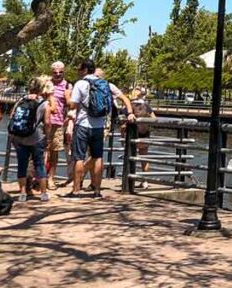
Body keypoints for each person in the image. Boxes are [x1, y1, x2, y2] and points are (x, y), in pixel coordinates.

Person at [67, 59, 135, 198]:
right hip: (99, 125)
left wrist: (68, 96)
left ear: (85, 70)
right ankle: (97, 190)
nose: (78, 72)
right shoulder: (106, 84)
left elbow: (73, 105)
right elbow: (123, 98)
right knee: (98, 157)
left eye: (79, 69)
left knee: (79, 157)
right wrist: (130, 112)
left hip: (83, 124)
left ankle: (75, 190)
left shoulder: (80, 84)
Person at [10, 76, 51, 203]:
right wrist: (48, 139)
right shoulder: (44, 103)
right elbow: (48, 122)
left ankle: (22, 193)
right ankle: (43, 193)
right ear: (41, 88)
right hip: (36, 137)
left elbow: (12, 115)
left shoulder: (21, 100)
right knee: (39, 164)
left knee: (22, 164)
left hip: (20, 137)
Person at [45, 61, 69, 190]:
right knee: (41, 151)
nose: (58, 75)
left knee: (54, 151)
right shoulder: (46, 83)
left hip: (58, 122)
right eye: (55, 72)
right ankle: (38, 178)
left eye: (60, 72)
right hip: (43, 122)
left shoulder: (67, 85)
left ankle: (50, 178)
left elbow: (71, 105)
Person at [127, 87, 155, 187]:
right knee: (144, 157)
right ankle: (145, 181)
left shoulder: (129, 105)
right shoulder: (146, 105)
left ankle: (129, 181)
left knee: (130, 156)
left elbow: (123, 120)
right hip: (145, 133)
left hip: (132, 134)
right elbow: (154, 118)